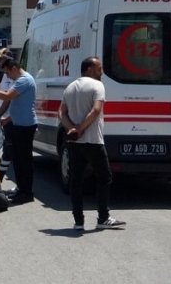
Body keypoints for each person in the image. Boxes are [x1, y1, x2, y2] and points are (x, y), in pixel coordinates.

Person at [59, 56, 125, 231]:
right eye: (98, 69)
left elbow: (61, 113)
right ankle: (103, 217)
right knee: (104, 177)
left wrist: (71, 129)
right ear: (88, 69)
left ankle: (78, 221)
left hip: (74, 144)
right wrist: (80, 129)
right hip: (93, 141)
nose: (101, 72)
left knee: (76, 181)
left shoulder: (70, 87)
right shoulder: (97, 86)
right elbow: (96, 110)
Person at [0, 56, 36, 204]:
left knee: (24, 161)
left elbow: (7, 96)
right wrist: (6, 119)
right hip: (18, 124)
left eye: (8, 73)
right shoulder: (19, 80)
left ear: (14, 68)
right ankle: (21, 189)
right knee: (19, 160)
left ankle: (26, 192)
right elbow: (16, 106)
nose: (7, 76)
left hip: (25, 126)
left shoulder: (24, 80)